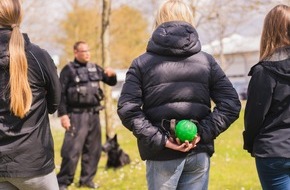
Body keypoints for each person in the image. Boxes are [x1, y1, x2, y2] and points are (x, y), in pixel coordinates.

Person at [117, 0, 241, 189]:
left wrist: (162, 140)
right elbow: (231, 103)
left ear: (159, 20)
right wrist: (202, 133)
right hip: (197, 153)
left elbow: (127, 109)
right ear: (189, 20)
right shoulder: (206, 62)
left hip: (162, 156)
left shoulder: (141, 63)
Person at [0, 0, 61, 189]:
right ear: (19, 16)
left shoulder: (36, 56)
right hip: (35, 164)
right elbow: (54, 103)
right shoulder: (39, 56)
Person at [57, 41, 117, 190]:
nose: (87, 53)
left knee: (94, 150)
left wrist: (112, 75)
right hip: (76, 115)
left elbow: (110, 81)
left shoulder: (94, 68)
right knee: (72, 151)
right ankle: (63, 182)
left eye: (88, 50)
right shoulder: (68, 70)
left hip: (94, 114)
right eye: (84, 51)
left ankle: (86, 180)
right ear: (76, 52)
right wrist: (63, 115)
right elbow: (60, 94)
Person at [243, 4, 290, 190]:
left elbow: (254, 116)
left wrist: (250, 143)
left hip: (273, 150)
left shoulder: (264, 71)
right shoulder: (263, 71)